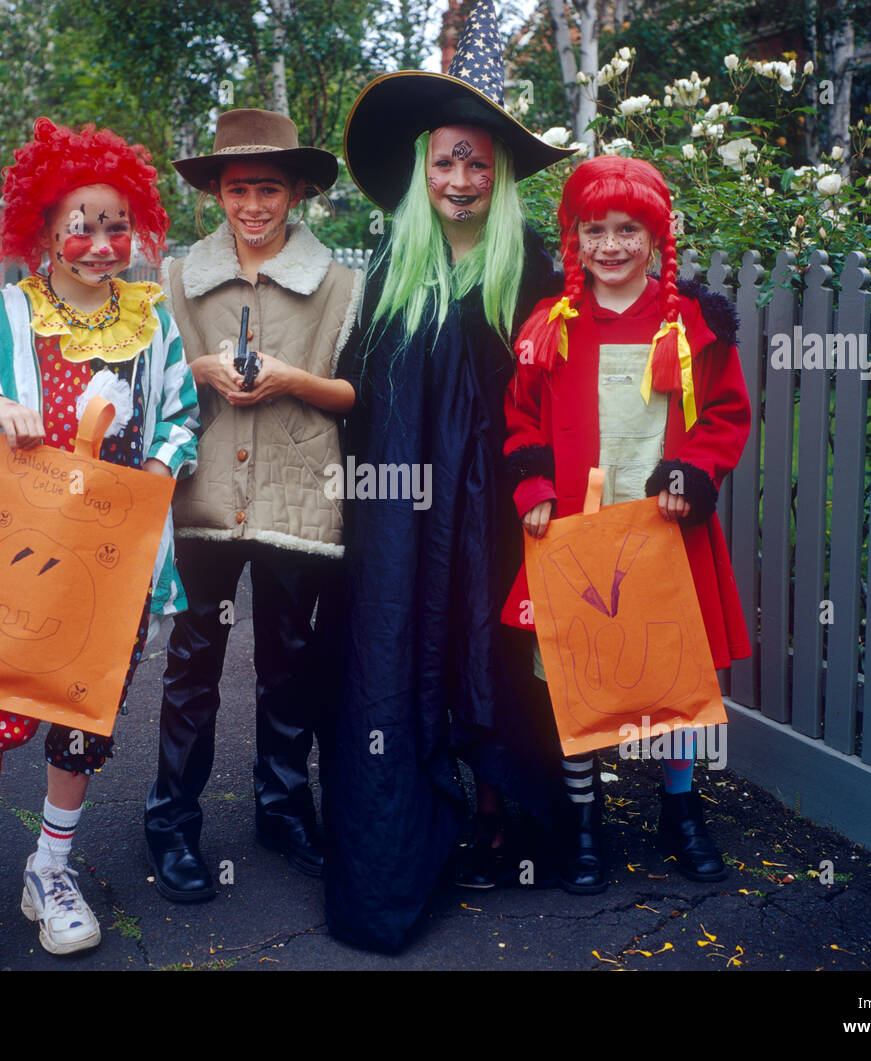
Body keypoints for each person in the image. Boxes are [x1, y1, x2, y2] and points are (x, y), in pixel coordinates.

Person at [0, 117, 199, 969]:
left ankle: (50, 871)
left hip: (114, 567)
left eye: (115, 224)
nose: (101, 244)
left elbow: (183, 421)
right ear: (43, 227)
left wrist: (154, 471)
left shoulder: (154, 323)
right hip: (17, 564)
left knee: (81, 727)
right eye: (82, 222)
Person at [324, 0, 577, 952]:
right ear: (423, 171)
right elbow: (360, 391)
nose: (461, 179)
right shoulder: (396, 266)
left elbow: (572, 384)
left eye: (478, 162)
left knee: (497, 654)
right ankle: (414, 822)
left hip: (508, 513)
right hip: (404, 517)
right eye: (446, 162)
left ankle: (504, 815)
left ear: (498, 174)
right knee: (403, 649)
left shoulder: (535, 270)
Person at [503, 155, 752, 893]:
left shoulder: (694, 323)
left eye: (628, 230)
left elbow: (728, 414)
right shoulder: (551, 326)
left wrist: (693, 474)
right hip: (578, 536)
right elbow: (518, 417)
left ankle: (680, 806)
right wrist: (534, 483)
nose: (610, 246)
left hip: (666, 534)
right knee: (576, 678)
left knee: (670, 668)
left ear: (656, 238)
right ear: (574, 239)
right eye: (594, 231)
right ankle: (584, 818)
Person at [144, 109, 362, 901]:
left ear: (297, 190)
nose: (254, 205)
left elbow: (355, 396)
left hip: (296, 498)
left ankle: (282, 805)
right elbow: (151, 386)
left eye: (269, 188)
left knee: (290, 662)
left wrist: (291, 379)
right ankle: (171, 819)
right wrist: (199, 365)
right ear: (217, 194)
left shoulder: (339, 282)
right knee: (192, 663)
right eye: (239, 189)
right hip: (202, 494)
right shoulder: (175, 279)